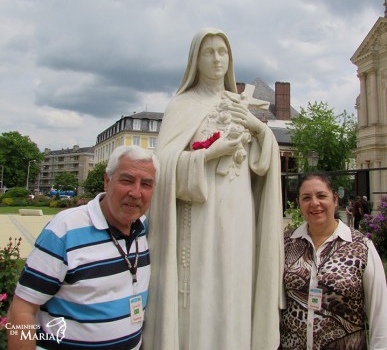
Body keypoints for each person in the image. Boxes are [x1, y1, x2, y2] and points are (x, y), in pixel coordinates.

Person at [143, 27, 284, 350]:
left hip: (239, 212)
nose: (218, 58)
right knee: (200, 288)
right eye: (210, 52)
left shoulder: (240, 104)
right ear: (196, 59)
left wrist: (259, 130)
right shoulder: (182, 104)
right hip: (199, 215)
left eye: (223, 52)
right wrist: (207, 155)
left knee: (235, 283)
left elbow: (262, 166)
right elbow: (162, 165)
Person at [7, 146, 158, 350]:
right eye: (127, 180)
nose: (136, 192)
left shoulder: (142, 228)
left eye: (146, 184)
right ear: (107, 180)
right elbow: (22, 309)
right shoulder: (65, 230)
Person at [280, 173, 387, 349]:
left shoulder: (361, 247)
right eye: (306, 198)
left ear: (335, 199)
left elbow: (380, 316)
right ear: (299, 203)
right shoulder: (285, 244)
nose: (314, 203)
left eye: (321, 196)